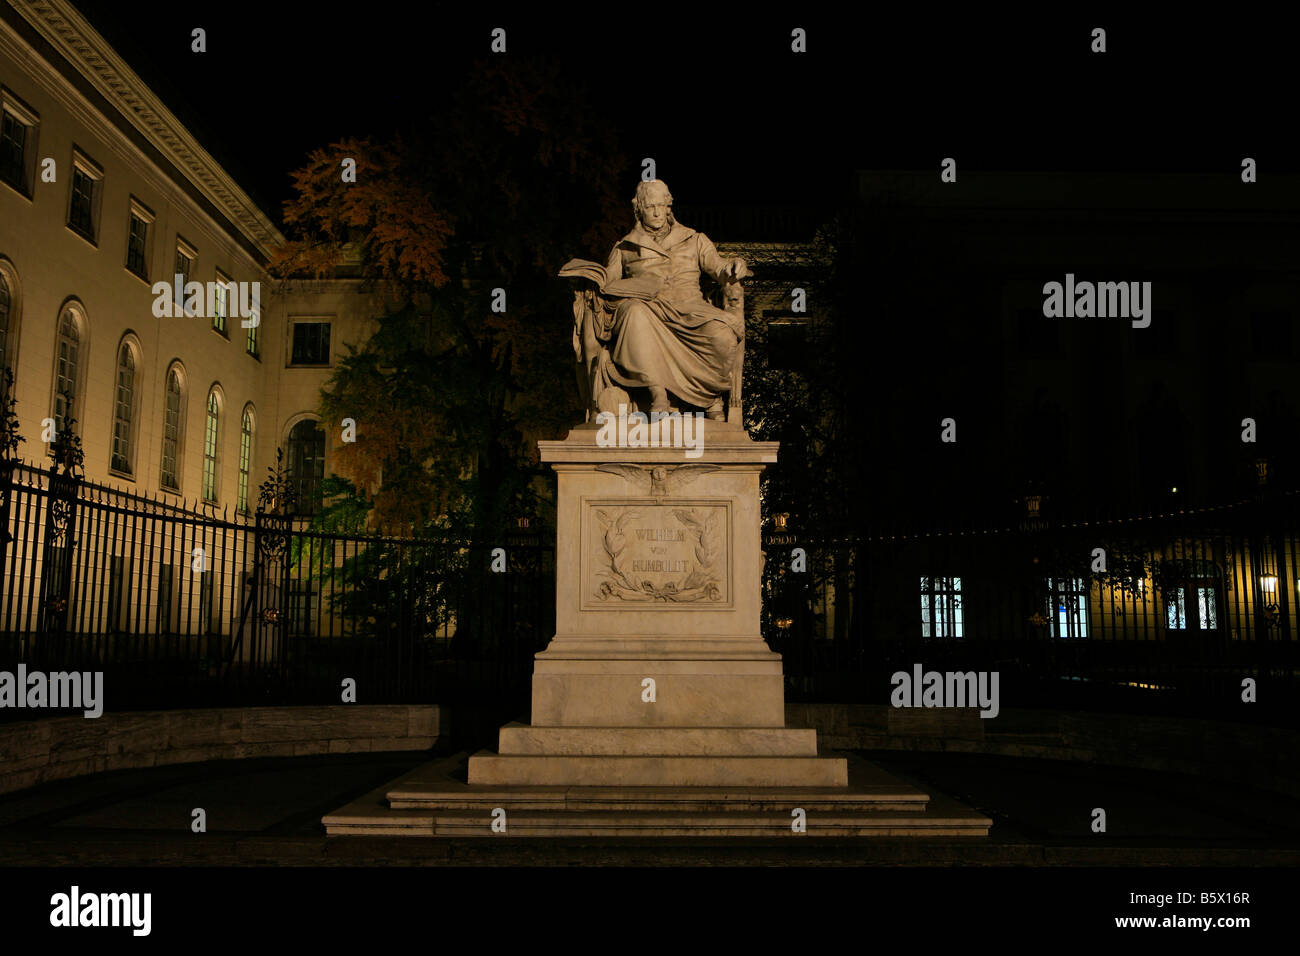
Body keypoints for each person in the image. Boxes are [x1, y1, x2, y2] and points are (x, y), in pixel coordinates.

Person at [602, 180, 750, 420]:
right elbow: (606, 283)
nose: (657, 212)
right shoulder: (625, 247)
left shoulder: (694, 239)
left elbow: (719, 266)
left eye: (661, 206)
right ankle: (657, 392)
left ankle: (710, 396)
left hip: (691, 307)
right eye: (650, 207)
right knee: (633, 313)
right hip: (649, 307)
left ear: (669, 206)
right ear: (639, 210)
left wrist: (733, 265)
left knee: (721, 333)